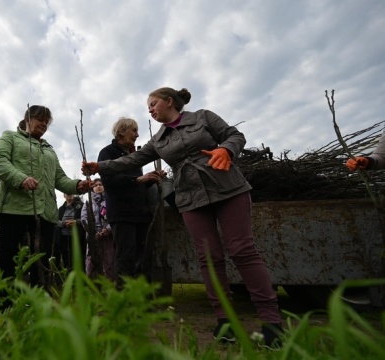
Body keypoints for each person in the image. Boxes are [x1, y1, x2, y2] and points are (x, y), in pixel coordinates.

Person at [82, 87, 283, 349]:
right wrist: (101, 167)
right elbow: (132, 160)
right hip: (190, 197)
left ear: (169, 102)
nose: (150, 110)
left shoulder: (202, 117)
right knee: (209, 258)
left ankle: (271, 322)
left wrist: (227, 151)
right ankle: (224, 321)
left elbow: (234, 134)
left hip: (227, 187)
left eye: (153, 104)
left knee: (242, 250)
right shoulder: (159, 139)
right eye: (148, 107)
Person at [0, 105, 90, 291]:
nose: (44, 124)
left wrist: (77, 185)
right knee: (8, 258)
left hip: (46, 213)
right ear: (27, 118)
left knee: (41, 260)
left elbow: (59, 178)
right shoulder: (10, 137)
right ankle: (4, 304)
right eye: (40, 119)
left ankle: (39, 302)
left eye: (47, 122)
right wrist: (20, 179)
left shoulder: (49, 149)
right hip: (14, 208)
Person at [97, 117, 160, 287]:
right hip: (122, 215)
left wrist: (150, 180)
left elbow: (136, 184)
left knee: (144, 257)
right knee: (126, 258)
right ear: (122, 131)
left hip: (141, 213)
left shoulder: (134, 156)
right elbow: (109, 182)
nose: (137, 135)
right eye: (134, 131)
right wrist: (138, 179)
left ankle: (144, 301)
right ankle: (125, 301)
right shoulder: (107, 153)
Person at [81, 179, 115, 281]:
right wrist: (93, 233)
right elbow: (84, 219)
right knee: (91, 263)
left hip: (108, 238)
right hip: (93, 238)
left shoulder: (110, 201)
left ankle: (109, 288)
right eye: (95, 185)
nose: (98, 186)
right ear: (92, 189)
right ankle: (92, 289)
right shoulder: (88, 203)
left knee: (109, 263)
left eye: (101, 184)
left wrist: (107, 230)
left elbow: (114, 217)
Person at [55, 194, 85, 270]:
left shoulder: (81, 206)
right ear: (64, 195)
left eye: (71, 193)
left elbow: (86, 219)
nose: (69, 195)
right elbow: (56, 221)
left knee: (78, 257)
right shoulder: (61, 208)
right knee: (66, 258)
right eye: (67, 193)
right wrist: (63, 223)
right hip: (63, 237)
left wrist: (76, 222)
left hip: (78, 237)